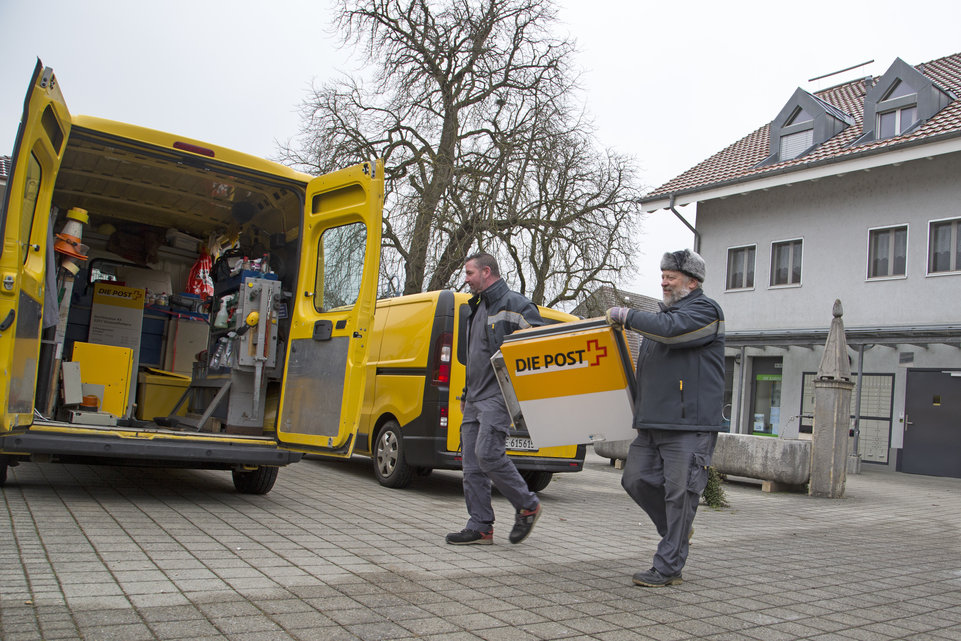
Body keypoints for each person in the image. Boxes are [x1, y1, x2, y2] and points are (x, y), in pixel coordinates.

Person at [606, 248, 725, 587]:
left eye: (671, 277)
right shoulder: (661, 320)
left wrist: (627, 315)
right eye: (662, 276)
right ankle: (677, 531)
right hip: (652, 422)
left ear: (692, 282)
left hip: (689, 425)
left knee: (680, 494)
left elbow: (672, 331)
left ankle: (669, 566)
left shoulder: (706, 312)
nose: (664, 282)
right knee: (635, 479)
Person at [446, 252, 545, 546]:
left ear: (486, 272)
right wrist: (466, 394)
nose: (466, 279)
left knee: (488, 453)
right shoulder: (475, 308)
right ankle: (480, 526)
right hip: (474, 399)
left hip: (498, 397)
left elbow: (539, 343)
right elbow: (475, 357)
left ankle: (528, 505)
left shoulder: (515, 304)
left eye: (469, 273)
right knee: (471, 464)